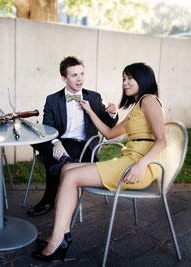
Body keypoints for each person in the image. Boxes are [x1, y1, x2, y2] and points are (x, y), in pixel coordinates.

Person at [32, 62, 165, 262]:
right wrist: (91, 111)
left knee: (71, 177)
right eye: (123, 78)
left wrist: (141, 164)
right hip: (129, 159)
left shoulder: (149, 100)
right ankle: (64, 234)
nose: (125, 83)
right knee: (67, 168)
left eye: (130, 78)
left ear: (143, 79)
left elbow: (162, 141)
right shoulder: (138, 105)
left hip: (138, 166)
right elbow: (110, 133)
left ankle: (56, 241)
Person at [28, 56, 118, 217]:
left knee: (53, 159)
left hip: (84, 145)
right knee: (36, 138)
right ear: (64, 78)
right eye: (74, 75)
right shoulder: (53, 99)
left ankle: (48, 200)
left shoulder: (94, 97)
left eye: (82, 74)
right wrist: (56, 142)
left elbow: (109, 126)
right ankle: (64, 159)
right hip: (60, 141)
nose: (80, 79)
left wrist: (113, 114)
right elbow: (47, 126)